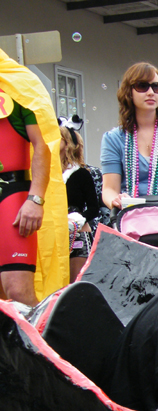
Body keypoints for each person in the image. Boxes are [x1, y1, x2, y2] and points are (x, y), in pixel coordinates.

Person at [0, 49, 68, 306]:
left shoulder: (18, 84)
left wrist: (35, 199)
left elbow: (44, 144)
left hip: (13, 194)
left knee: (17, 292)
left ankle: (34, 347)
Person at [100, 62, 158, 211]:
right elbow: (109, 189)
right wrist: (115, 200)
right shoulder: (113, 138)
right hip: (130, 217)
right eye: (142, 86)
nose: (151, 92)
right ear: (128, 92)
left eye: (156, 86)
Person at [60, 124, 100, 283]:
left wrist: (79, 218)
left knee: (75, 285)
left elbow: (94, 208)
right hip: (53, 232)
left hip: (77, 232)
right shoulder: (45, 173)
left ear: (68, 143)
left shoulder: (81, 174)